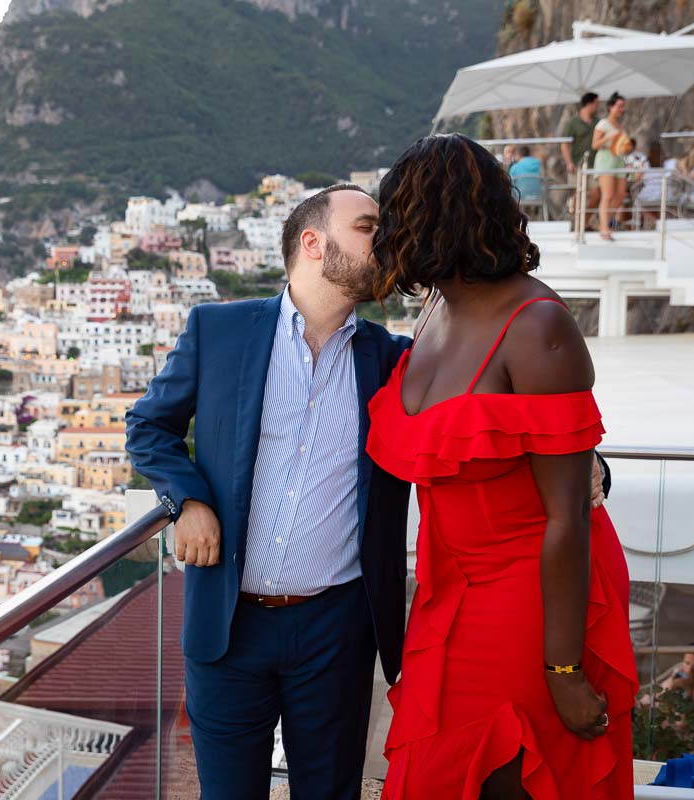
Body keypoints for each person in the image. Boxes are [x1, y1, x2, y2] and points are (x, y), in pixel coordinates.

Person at [126, 181, 609, 800]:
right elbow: (148, 426)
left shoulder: (395, 360)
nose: (386, 240)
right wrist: (186, 501)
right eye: (367, 227)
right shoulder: (218, 331)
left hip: (338, 628)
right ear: (313, 243)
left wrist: (589, 461)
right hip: (227, 625)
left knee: (331, 792)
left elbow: (492, 416)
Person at [368, 134, 637, 799]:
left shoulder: (537, 325)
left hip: (532, 599)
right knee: (432, 775)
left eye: (396, 217)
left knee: (508, 778)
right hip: (444, 596)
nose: (388, 236)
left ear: (432, 219)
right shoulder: (435, 309)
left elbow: (569, 512)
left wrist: (565, 668)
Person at [593, 92, 629, 240]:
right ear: (611, 107)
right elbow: (594, 144)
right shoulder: (603, 124)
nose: (621, 109)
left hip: (619, 161)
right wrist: (608, 137)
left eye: (622, 106)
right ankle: (604, 228)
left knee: (620, 196)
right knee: (607, 195)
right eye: (619, 106)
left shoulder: (619, 125)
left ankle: (603, 223)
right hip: (606, 160)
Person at [562, 92, 601, 222]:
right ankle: (577, 223)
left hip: (595, 165)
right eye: (596, 104)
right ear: (589, 104)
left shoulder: (598, 122)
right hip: (577, 164)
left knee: (596, 192)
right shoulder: (573, 122)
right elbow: (565, 145)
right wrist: (569, 163)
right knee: (577, 194)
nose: (598, 106)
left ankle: (585, 221)